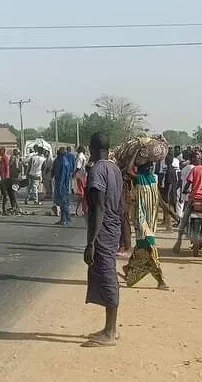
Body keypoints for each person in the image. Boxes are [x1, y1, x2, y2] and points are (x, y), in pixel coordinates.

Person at [83, 132, 123, 347]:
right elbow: (121, 204)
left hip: (103, 230)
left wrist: (91, 242)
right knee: (108, 273)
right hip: (114, 227)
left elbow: (98, 207)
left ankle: (110, 332)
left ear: (91, 148)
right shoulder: (115, 169)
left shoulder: (98, 170)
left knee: (107, 276)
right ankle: (110, 327)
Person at [121, 162, 170, 290]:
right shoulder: (138, 178)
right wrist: (135, 154)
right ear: (141, 168)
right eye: (148, 166)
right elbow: (128, 170)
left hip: (151, 220)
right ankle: (161, 280)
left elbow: (159, 198)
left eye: (151, 165)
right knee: (150, 246)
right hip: (140, 219)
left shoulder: (153, 179)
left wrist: (171, 212)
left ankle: (129, 268)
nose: (151, 168)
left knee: (143, 248)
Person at [173, 151, 202, 254]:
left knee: (184, 220)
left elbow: (188, 183)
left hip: (194, 199)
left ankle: (179, 240)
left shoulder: (195, 169)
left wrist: (185, 191)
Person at [53, 147, 73, 225]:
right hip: (65, 183)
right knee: (63, 202)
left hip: (61, 184)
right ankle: (63, 219)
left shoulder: (60, 161)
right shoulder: (66, 161)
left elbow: (62, 175)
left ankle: (68, 218)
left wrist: (60, 186)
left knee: (63, 202)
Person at [0, 147, 18, 215]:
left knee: (7, 195)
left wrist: (6, 179)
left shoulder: (5, 158)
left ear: (3, 151)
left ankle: (8, 209)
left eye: (0, 151)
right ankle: (11, 208)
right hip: (3, 178)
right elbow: (1, 169)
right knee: (7, 194)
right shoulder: (2, 158)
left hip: (6, 179)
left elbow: (7, 168)